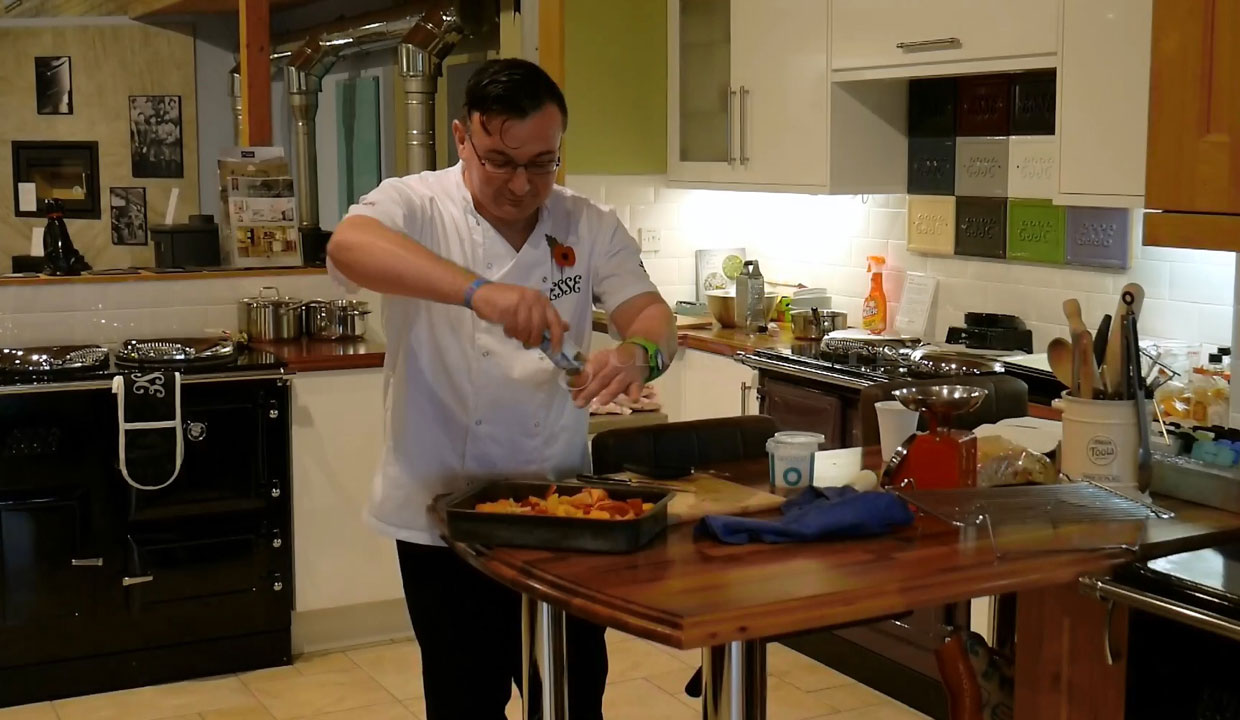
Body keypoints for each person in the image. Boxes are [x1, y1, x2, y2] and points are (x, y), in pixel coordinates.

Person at [327, 58, 677, 720]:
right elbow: (351, 246)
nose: (522, 185)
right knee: (465, 703)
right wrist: (479, 293)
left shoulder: (585, 224)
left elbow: (652, 316)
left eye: (542, 163)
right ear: (462, 138)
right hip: (444, 517)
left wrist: (639, 353)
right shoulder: (417, 204)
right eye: (499, 161)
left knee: (574, 700)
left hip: (560, 514)